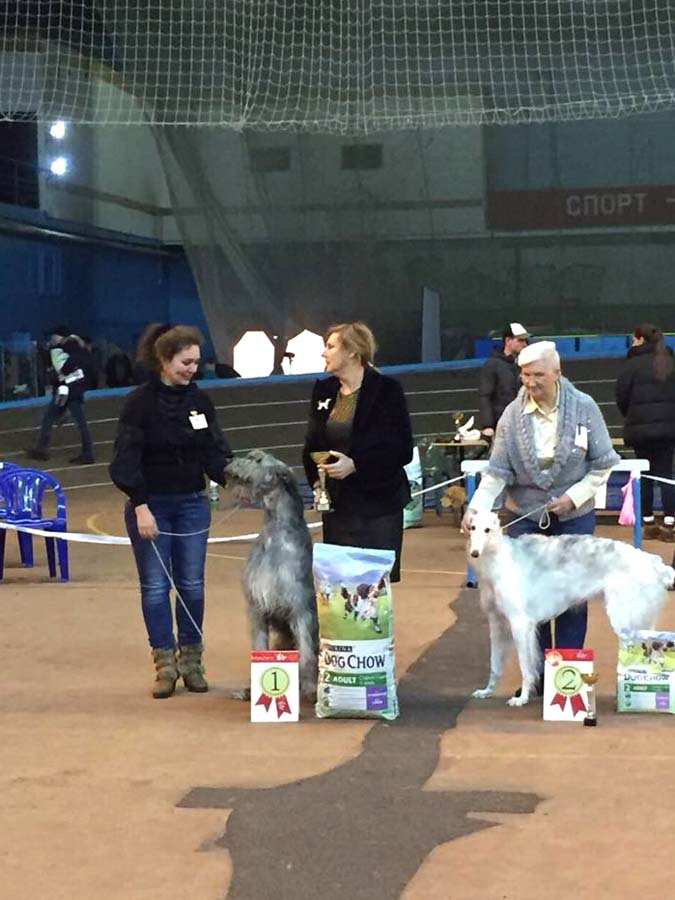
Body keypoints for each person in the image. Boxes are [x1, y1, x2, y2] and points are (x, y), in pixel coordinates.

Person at [464, 341, 620, 687]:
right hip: (525, 519)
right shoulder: (510, 416)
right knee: (525, 599)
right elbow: (498, 472)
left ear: (556, 373)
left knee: (572, 597)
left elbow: (605, 465)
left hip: (574, 518)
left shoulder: (584, 408)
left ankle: (563, 678)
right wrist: (476, 508)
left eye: (537, 375)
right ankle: (534, 678)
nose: (529, 382)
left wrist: (573, 497)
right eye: (524, 375)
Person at [109, 323, 233, 699]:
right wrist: (141, 505)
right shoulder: (139, 403)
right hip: (152, 506)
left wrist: (235, 478)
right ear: (164, 360)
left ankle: (192, 662)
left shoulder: (201, 403)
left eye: (196, 362)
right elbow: (125, 461)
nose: (193, 369)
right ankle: (165, 666)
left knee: (192, 585)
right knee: (155, 588)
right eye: (186, 362)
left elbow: (215, 451)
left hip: (193, 504)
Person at [302, 321, 413, 582]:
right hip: (339, 508)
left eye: (330, 346)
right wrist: (317, 481)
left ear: (352, 351)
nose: (323, 353)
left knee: (373, 589)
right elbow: (312, 444)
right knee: (340, 588)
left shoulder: (388, 391)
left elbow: (401, 449)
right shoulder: (324, 390)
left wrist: (356, 465)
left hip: (378, 507)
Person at [616, 323, 675, 540]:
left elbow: (621, 396)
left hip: (640, 429)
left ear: (640, 339)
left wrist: (633, 416)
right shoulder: (669, 361)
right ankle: (671, 522)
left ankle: (648, 521)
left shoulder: (631, 365)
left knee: (645, 474)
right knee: (666, 473)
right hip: (669, 430)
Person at [26, 325, 95, 464]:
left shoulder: (70, 345)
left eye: (54, 336)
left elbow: (74, 360)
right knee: (52, 416)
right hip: (70, 388)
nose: (52, 338)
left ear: (60, 336)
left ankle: (87, 453)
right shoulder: (74, 345)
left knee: (75, 421)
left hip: (70, 388)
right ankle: (41, 448)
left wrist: (64, 372)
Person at [478, 322, 530, 440]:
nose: (525, 344)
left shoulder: (524, 364)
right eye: (520, 340)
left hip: (523, 424)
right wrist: (488, 425)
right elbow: (485, 396)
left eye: (525, 341)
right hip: (500, 424)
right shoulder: (492, 365)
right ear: (508, 341)